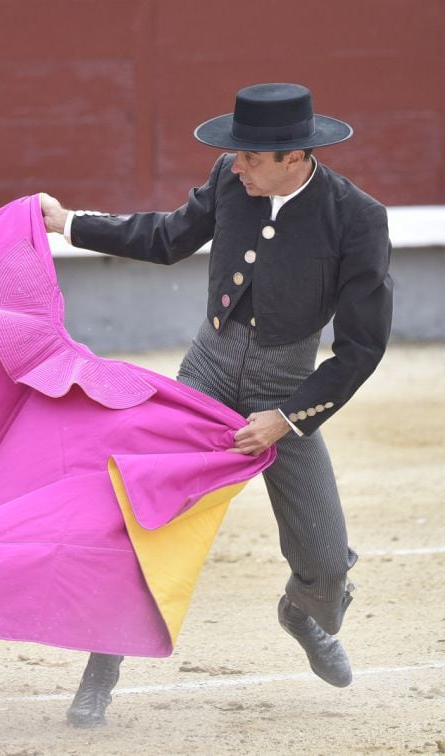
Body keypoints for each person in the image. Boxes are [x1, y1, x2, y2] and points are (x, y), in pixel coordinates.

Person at [41, 82, 393, 727]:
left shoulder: (356, 217)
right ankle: (102, 667)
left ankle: (303, 615)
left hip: (285, 392)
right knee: (146, 520)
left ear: (295, 156)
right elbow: (169, 235)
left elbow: (362, 345)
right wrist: (71, 223)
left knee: (323, 559)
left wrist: (287, 419)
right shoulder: (232, 180)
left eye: (250, 157)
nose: (236, 165)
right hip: (206, 372)